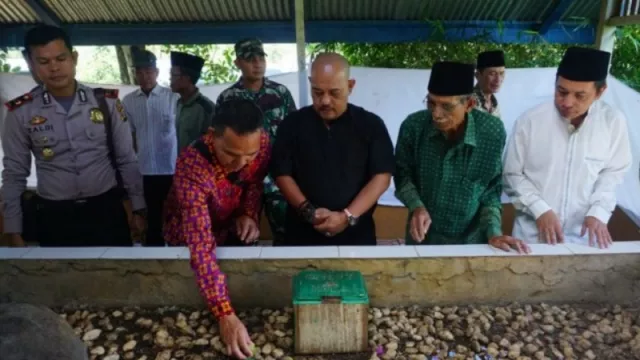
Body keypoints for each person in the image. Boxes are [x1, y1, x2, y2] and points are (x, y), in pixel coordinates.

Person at [1, 25, 145, 247]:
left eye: (61, 58)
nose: (54, 68)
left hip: (106, 211)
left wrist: (138, 208)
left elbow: (127, 160)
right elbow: (14, 174)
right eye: (44, 62)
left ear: (74, 58)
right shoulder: (20, 112)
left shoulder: (106, 103)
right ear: (31, 64)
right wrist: (13, 228)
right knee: (59, 281)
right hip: (54, 215)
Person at [163, 99, 269, 359]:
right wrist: (224, 314)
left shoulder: (261, 143)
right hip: (187, 237)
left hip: (231, 228)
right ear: (213, 136)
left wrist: (248, 214)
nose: (242, 163)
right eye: (231, 155)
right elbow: (199, 245)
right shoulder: (191, 166)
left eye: (250, 155)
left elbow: (254, 182)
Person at [394, 61, 529, 254]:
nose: (436, 114)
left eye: (446, 106)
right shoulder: (414, 127)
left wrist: (493, 232)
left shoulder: (491, 132)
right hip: (423, 240)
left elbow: (490, 192)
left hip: (472, 242)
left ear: (470, 104)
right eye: (431, 103)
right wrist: (416, 206)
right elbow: (402, 175)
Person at [503, 46, 632, 248]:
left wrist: (598, 212)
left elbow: (613, 173)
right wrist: (539, 209)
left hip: (584, 238)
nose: (567, 102)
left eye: (580, 96)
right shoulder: (530, 121)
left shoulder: (612, 123)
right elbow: (511, 175)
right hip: (531, 239)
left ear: (600, 92)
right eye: (561, 91)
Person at [270, 52, 395, 246]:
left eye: (334, 93)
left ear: (350, 86)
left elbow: (382, 177)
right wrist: (308, 211)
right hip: (301, 233)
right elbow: (282, 173)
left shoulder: (371, 125)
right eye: (317, 92)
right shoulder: (292, 124)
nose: (325, 101)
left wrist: (347, 216)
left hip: (356, 234)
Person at [215, 37, 297, 246]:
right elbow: (218, 142)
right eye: (250, 58)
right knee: (242, 237)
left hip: (277, 177)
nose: (257, 63)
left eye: (261, 57)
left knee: (287, 233)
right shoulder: (228, 97)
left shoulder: (280, 93)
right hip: (242, 178)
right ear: (238, 63)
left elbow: (294, 135)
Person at [122, 49, 179, 246]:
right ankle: (153, 257)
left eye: (148, 71)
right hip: (144, 170)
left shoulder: (173, 97)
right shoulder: (128, 101)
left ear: (157, 72)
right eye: (140, 72)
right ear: (135, 74)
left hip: (171, 168)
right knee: (152, 218)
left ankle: (176, 253)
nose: (144, 76)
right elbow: (128, 136)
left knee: (174, 215)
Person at [170, 51, 215, 152]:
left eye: (173, 75)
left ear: (186, 78)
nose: (170, 79)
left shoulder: (207, 108)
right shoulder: (178, 104)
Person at [472, 50, 505, 118]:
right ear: (478, 75)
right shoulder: (468, 102)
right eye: (492, 74)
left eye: (501, 73)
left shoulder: (494, 103)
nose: (498, 79)